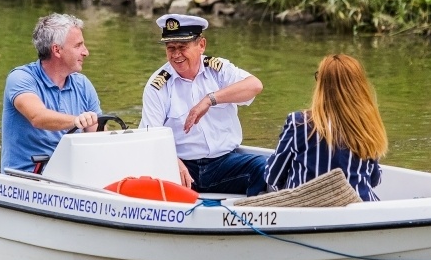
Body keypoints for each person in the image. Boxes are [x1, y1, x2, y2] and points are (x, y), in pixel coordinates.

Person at [138, 13, 267, 196]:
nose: (176, 55)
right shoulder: (158, 85)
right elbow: (151, 136)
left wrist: (209, 99)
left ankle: (252, 210)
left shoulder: (218, 70)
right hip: (181, 165)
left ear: (201, 45)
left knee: (265, 167)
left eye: (182, 47)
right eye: (170, 48)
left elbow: (255, 85)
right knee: (151, 181)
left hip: (224, 163)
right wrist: (172, 161)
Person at [264, 54, 388, 201]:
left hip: (307, 207)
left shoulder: (299, 123)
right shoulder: (367, 124)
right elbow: (374, 180)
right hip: (360, 205)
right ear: (359, 86)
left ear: (322, 84)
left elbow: (273, 176)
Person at [0, 13, 103, 172]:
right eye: (78, 46)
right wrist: (77, 121)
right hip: (27, 177)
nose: (86, 52)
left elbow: (98, 138)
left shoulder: (83, 85)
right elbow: (37, 117)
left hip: (70, 175)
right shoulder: (20, 78)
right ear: (57, 50)